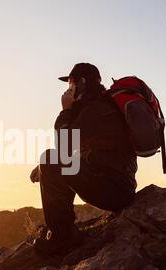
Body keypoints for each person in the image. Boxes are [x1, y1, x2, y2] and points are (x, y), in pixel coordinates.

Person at [30, 63, 138, 256]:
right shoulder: (100, 107)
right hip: (116, 186)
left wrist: (65, 110)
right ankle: (64, 232)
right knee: (49, 162)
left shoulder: (97, 109)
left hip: (113, 190)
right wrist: (44, 170)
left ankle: (62, 238)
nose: (68, 90)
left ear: (82, 82)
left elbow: (64, 146)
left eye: (70, 85)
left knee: (49, 158)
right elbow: (78, 153)